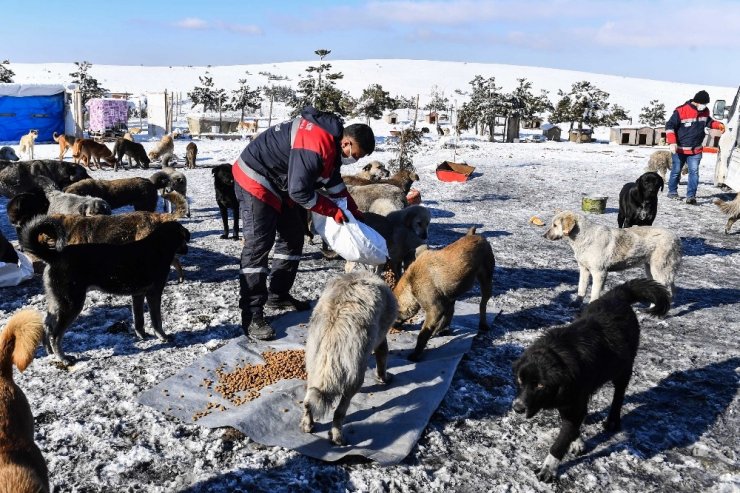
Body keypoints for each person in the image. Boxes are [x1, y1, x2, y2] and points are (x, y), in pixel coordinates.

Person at [232, 106, 374, 341]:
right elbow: (300, 192)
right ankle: (252, 314)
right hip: (255, 178)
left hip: (281, 184)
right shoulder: (315, 144)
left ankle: (277, 294)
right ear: (347, 143)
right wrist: (332, 211)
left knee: (293, 236)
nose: (354, 160)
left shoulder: (331, 145)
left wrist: (353, 210)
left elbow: (334, 183)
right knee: (259, 244)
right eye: (356, 155)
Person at [665, 90, 725, 205]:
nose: (705, 106)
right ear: (696, 102)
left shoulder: (705, 111)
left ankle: (691, 196)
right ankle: (672, 192)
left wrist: (717, 125)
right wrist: (672, 142)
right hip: (680, 149)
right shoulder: (681, 111)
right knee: (676, 171)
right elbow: (670, 126)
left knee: (694, 172)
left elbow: (708, 122)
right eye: (703, 104)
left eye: (706, 104)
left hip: (696, 150)